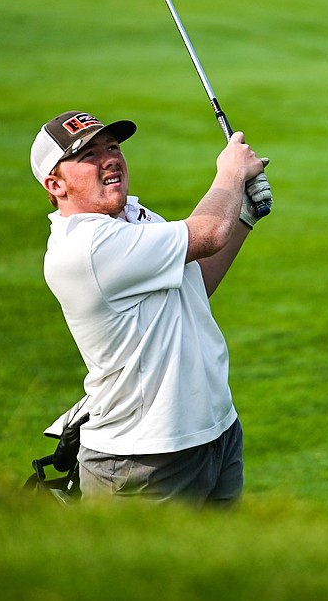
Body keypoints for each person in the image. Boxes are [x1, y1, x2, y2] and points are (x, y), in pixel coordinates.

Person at [29, 110, 271, 506]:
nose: (109, 158)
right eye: (88, 154)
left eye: (112, 146)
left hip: (216, 434)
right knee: (155, 570)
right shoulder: (85, 248)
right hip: (143, 460)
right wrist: (230, 171)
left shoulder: (134, 219)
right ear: (55, 184)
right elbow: (208, 233)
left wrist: (242, 215)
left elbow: (193, 286)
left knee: (224, 568)